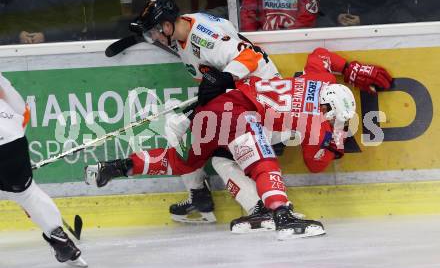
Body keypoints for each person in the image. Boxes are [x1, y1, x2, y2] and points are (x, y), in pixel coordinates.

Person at [84, 47, 392, 238]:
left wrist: (350, 68)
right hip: (240, 115)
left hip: (216, 107)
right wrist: (336, 135)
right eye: (333, 117)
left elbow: (319, 56)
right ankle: (282, 215)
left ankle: (118, 166)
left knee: (184, 162)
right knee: (263, 162)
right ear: (328, 109)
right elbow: (316, 163)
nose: (331, 121)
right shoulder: (315, 121)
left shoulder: (318, 81)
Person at [125, 0, 282, 225]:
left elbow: (251, 56)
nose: (155, 39)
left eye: (154, 33)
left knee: (220, 158)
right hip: (240, 101)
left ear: (167, 25)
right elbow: (210, 82)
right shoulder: (182, 33)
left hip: (264, 102)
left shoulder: (206, 37)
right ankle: (202, 195)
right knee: (186, 134)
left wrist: (224, 79)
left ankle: (259, 209)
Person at [0, 73, 87, 267]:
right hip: (11, 142)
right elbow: (21, 110)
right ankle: (60, 240)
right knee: (27, 195)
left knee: (23, 194)